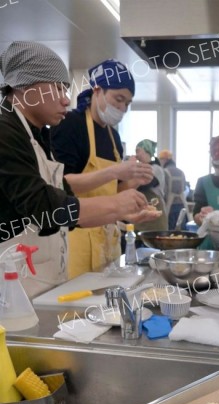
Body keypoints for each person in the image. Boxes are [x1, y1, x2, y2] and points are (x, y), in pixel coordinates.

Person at [0, 41, 159, 297]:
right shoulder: (5, 132)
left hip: (40, 278)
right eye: (58, 88)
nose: (66, 99)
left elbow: (67, 202)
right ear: (25, 86)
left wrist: (122, 213)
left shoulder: (39, 136)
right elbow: (44, 206)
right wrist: (116, 204)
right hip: (11, 286)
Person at [50, 59, 156, 278]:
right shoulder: (70, 124)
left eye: (127, 103)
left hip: (108, 240)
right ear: (97, 90)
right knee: (75, 310)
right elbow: (60, 186)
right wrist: (114, 171)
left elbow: (111, 192)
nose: (122, 108)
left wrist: (134, 186)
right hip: (75, 241)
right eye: (118, 99)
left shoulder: (113, 136)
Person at [134, 139, 168, 232]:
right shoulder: (140, 169)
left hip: (155, 217)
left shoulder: (155, 169)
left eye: (138, 151)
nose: (136, 155)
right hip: (142, 215)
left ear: (147, 152)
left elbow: (144, 185)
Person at [158, 149, 188, 229]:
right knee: (182, 233)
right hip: (182, 206)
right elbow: (184, 188)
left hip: (169, 208)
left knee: (170, 234)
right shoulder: (181, 172)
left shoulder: (164, 172)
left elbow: (163, 192)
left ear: (165, 160)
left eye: (160, 159)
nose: (160, 162)